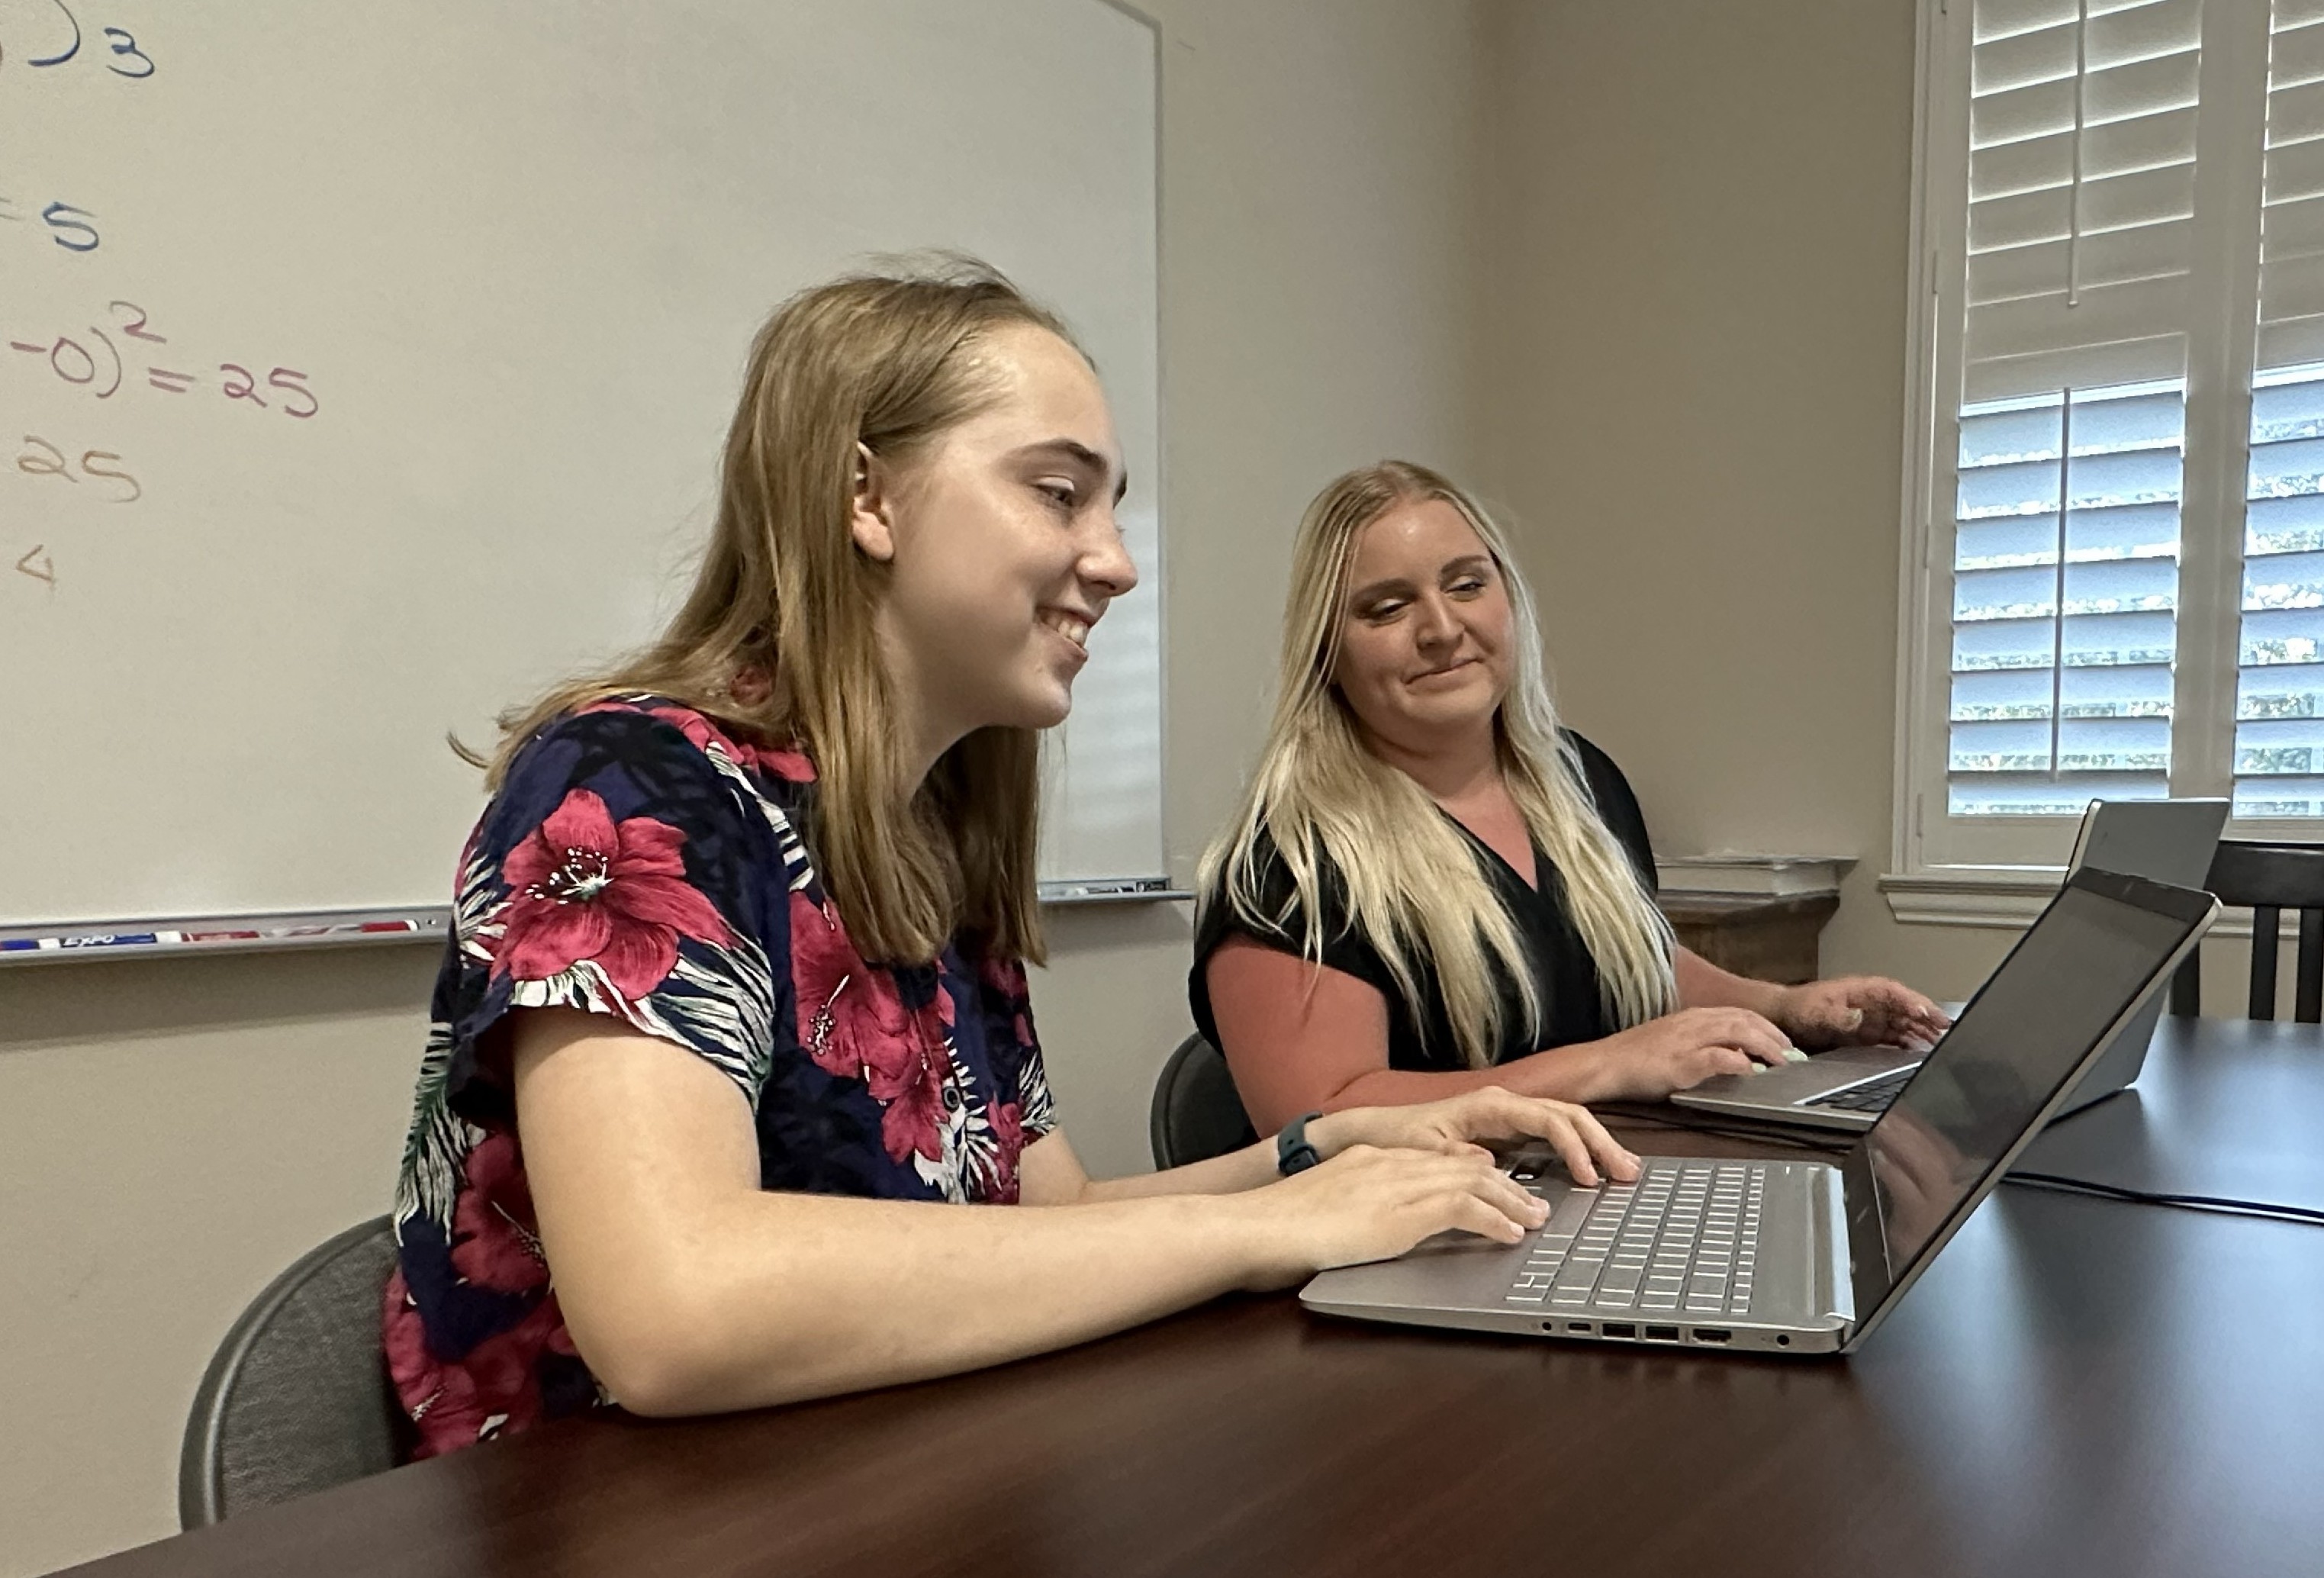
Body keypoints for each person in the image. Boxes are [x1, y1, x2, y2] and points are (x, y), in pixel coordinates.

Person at [381, 261, 1640, 1459]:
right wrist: (1270, 1224)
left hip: (875, 1467)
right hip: (610, 1510)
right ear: (867, 498)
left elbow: (1053, 1213)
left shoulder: (929, 837)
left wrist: (1335, 1151)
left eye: (1111, 506)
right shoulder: (626, 784)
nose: (1117, 562)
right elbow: (675, 1308)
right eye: (1057, 493)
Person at [1191, 460, 1949, 1135]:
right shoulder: (1288, 864)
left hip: (1609, 1189)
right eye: (1387, 607)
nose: (1441, 628)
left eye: (1466, 584)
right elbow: (1315, 1122)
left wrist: (1787, 1009)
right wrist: (1605, 1065)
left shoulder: (1578, 777)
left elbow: (1628, 960)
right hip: (1432, 1230)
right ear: (1326, 650)